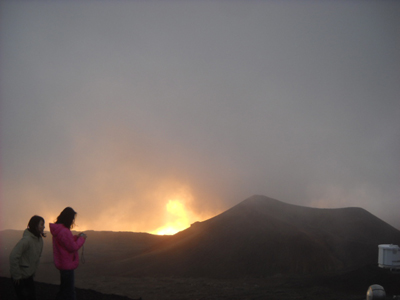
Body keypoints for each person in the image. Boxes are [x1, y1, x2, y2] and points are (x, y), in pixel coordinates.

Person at [50, 207, 86, 300]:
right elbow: (72, 247)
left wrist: (75, 238)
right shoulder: (64, 231)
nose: (73, 221)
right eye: (72, 218)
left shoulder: (59, 230)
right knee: (69, 292)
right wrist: (82, 239)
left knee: (63, 290)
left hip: (62, 263)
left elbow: (65, 242)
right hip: (67, 265)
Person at [9, 215, 46, 300]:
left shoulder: (39, 240)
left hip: (28, 276)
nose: (43, 227)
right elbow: (13, 256)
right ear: (35, 225)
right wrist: (17, 276)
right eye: (41, 224)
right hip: (21, 277)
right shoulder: (27, 240)